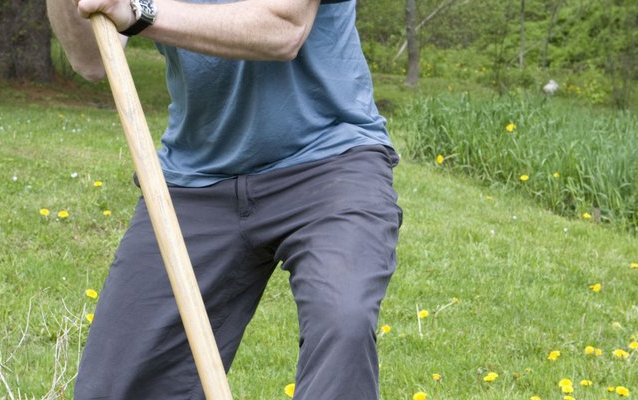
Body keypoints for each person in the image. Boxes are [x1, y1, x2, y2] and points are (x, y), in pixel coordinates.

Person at [46, 0, 402, 398]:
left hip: (328, 163)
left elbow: (282, 29)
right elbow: (91, 59)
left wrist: (140, 13)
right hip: (196, 179)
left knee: (343, 318)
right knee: (116, 385)